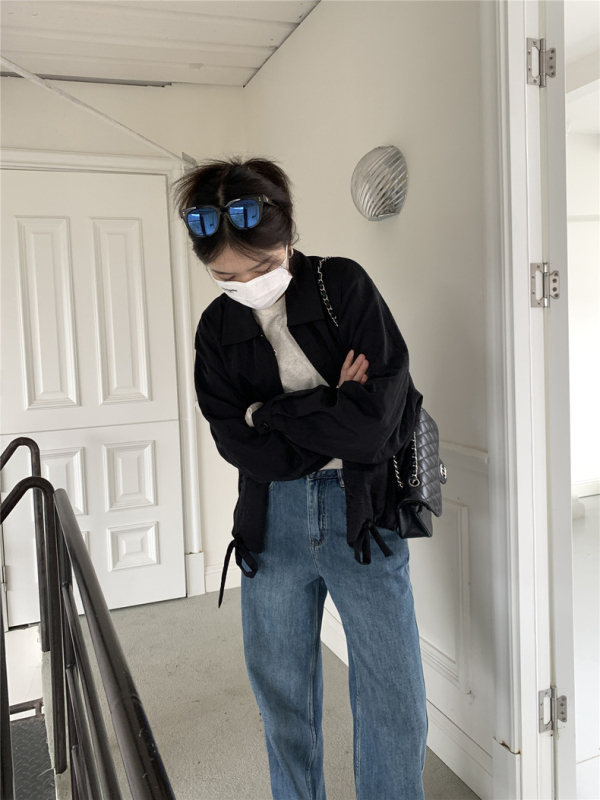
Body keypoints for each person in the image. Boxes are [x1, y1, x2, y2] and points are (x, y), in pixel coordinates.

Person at [171, 155, 428, 800]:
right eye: (227, 276)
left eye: (261, 267)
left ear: (286, 234)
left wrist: (270, 415)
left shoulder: (342, 285)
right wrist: (331, 405)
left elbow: (372, 428)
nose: (247, 284)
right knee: (281, 698)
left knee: (393, 696)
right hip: (271, 520)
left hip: (362, 513)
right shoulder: (216, 327)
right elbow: (240, 447)